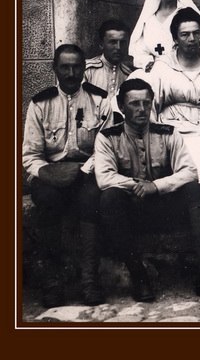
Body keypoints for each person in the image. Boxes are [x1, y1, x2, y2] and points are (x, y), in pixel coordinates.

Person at [94, 79, 200, 302]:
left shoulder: (168, 133)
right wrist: (137, 186)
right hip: (132, 210)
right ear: (121, 106)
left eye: (146, 103)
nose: (142, 109)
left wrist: (156, 186)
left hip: (164, 207)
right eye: (134, 104)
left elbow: (189, 171)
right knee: (110, 197)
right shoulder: (108, 137)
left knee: (195, 190)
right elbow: (105, 178)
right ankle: (139, 276)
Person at [22, 44, 112, 307]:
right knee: (48, 201)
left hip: (87, 171)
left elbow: (106, 148)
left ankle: (89, 282)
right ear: (55, 69)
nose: (71, 73)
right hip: (50, 173)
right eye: (65, 67)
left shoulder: (100, 100)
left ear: (84, 69)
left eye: (76, 67)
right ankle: (53, 283)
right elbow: (30, 155)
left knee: (91, 200)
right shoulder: (40, 103)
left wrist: (81, 171)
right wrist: (48, 174)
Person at [128, 7, 200, 204]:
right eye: (185, 34)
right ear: (175, 38)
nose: (191, 39)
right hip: (175, 130)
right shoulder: (163, 66)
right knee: (194, 161)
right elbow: (152, 104)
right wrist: (154, 137)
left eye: (196, 33)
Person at [84, 19, 134, 104]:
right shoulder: (87, 70)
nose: (118, 47)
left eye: (122, 42)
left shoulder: (129, 75)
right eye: (113, 42)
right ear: (101, 44)